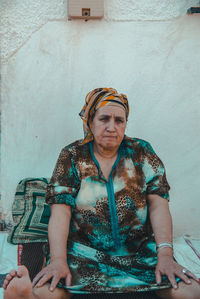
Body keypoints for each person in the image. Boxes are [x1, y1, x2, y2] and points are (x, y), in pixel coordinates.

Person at [3, 88, 200, 299]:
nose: (111, 127)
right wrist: (58, 261)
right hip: (83, 255)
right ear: (90, 122)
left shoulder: (141, 152)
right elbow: (60, 212)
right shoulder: (72, 155)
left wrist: (166, 255)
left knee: (191, 291)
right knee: (45, 292)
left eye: (119, 120)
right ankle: (22, 292)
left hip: (138, 256)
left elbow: (159, 205)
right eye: (104, 119)